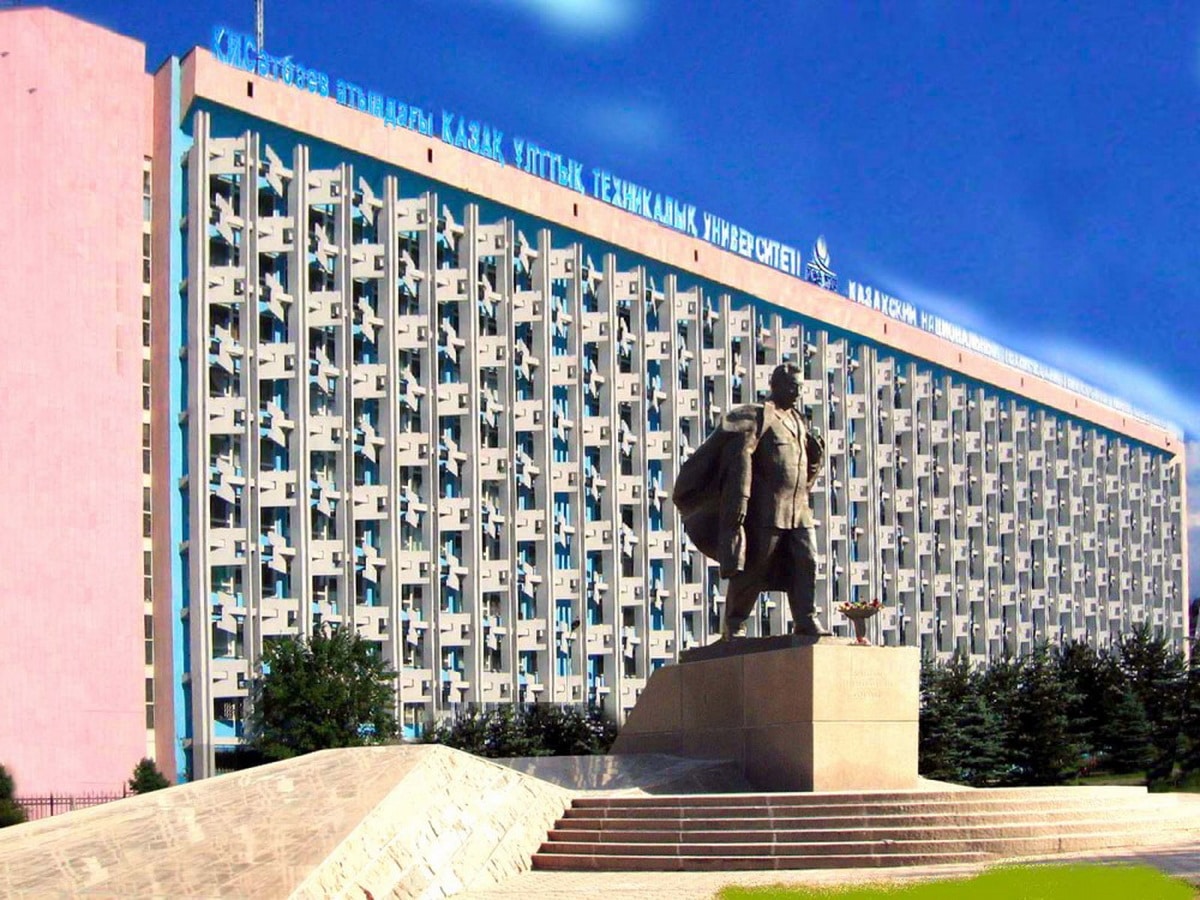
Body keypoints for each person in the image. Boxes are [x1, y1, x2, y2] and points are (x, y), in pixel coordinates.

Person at [673, 362, 827, 638]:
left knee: (807, 562)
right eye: (793, 387)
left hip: (798, 510)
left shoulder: (798, 421)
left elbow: (804, 474)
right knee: (754, 568)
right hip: (768, 510)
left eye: (800, 388)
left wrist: (816, 458)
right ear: (776, 385)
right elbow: (738, 461)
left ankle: (805, 618)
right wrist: (738, 505)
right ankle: (734, 624)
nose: (797, 393)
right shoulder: (759, 417)